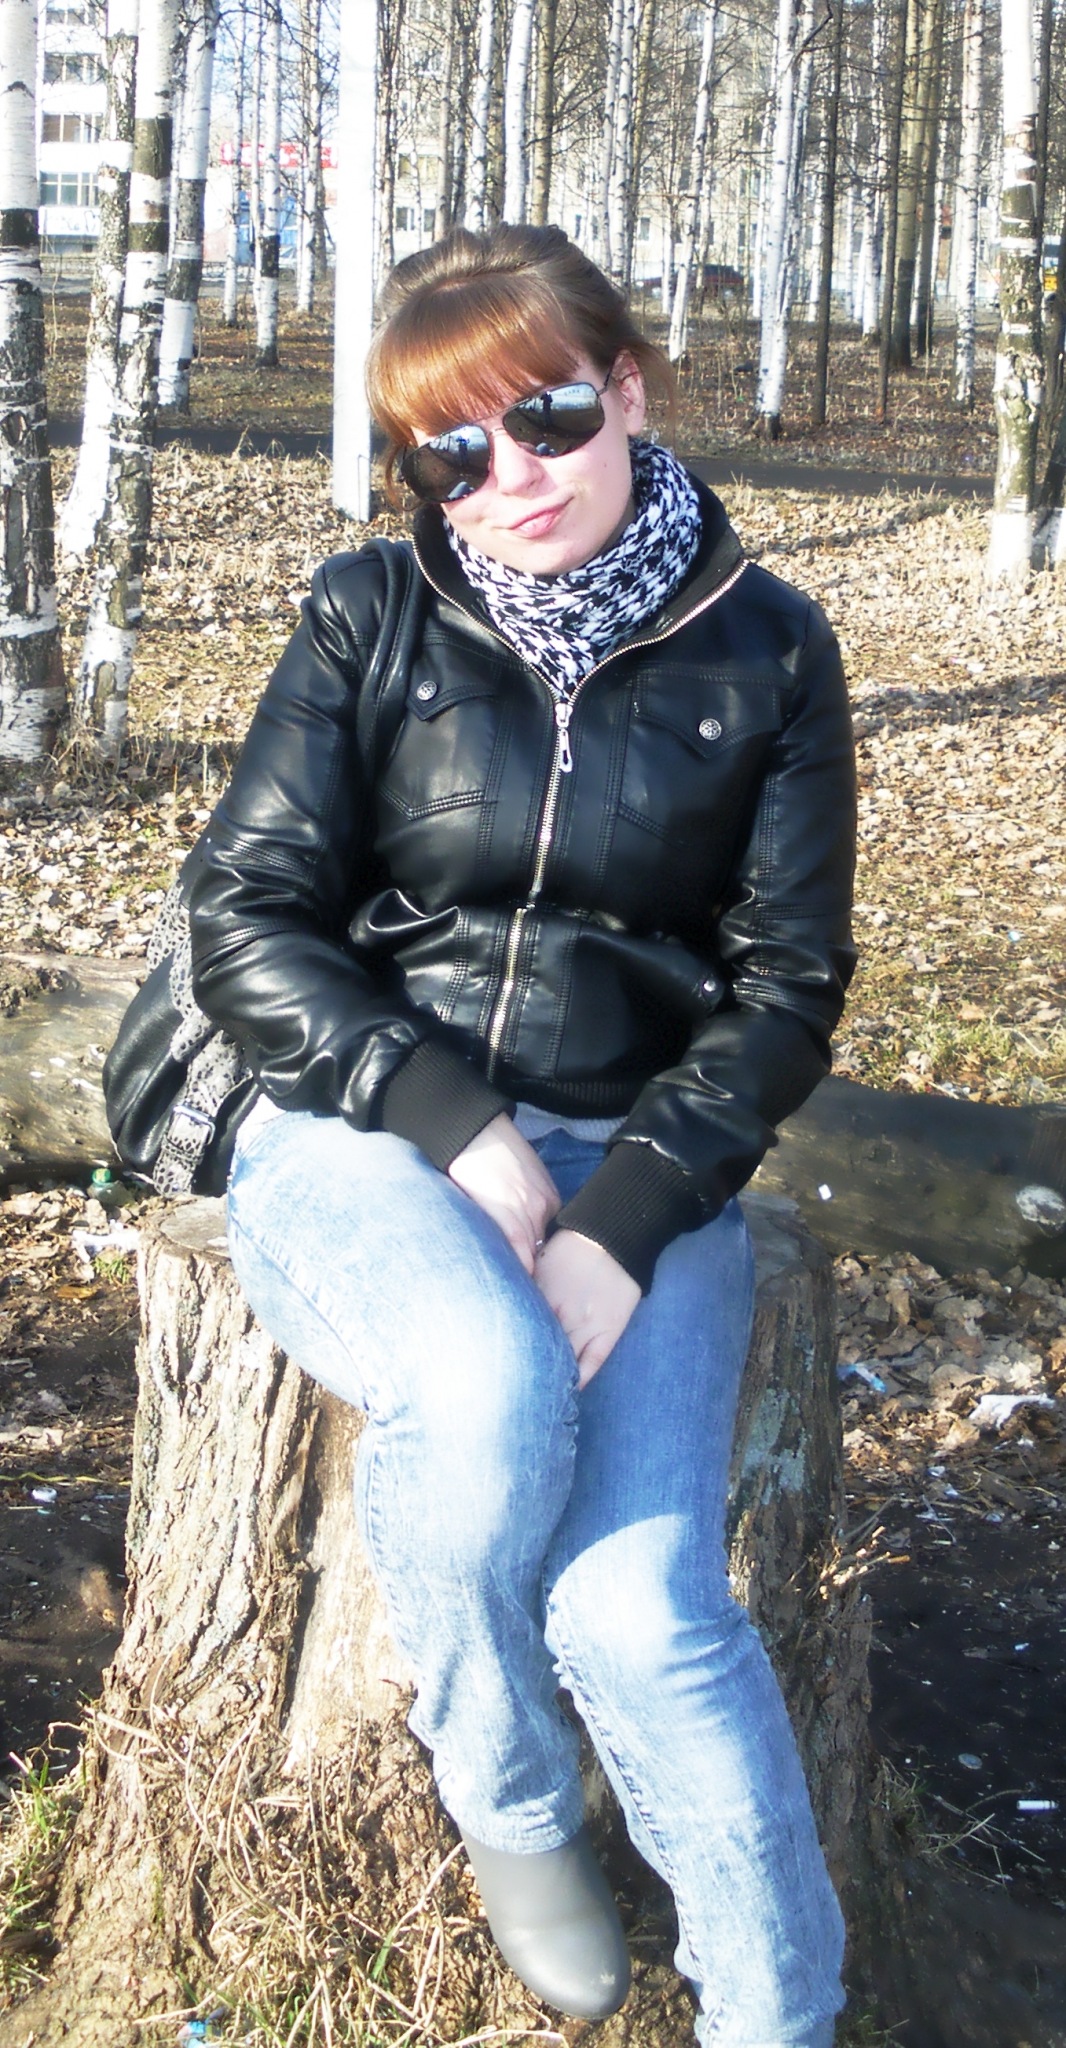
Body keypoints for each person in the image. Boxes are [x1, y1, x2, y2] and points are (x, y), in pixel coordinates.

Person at [187, 224, 856, 2048]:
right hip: (363, 1127)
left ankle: (777, 2019)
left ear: (624, 389)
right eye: (452, 453)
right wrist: (457, 1126)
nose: (511, 478)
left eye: (547, 419)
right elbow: (246, 912)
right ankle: (506, 1790)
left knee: (647, 1616)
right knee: (481, 1389)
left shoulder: (772, 649)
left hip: (645, 1157)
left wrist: (621, 1219)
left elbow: (785, 986)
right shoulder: (368, 613)